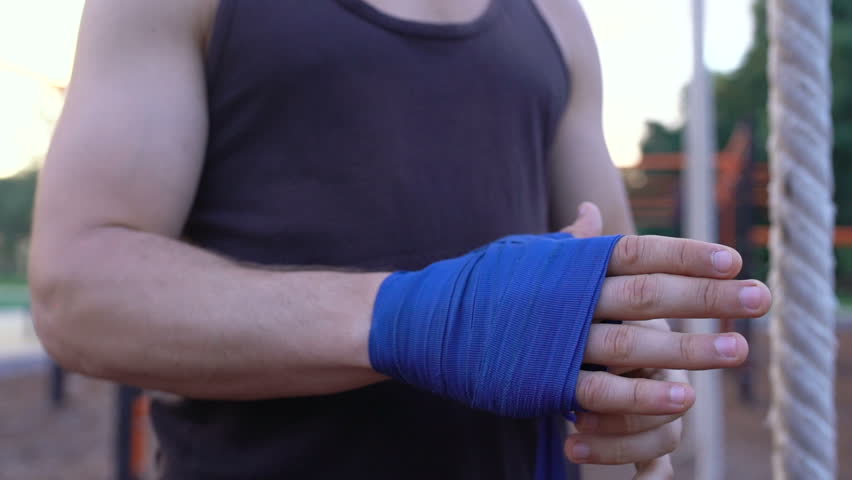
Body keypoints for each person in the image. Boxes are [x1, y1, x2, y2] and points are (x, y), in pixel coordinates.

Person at [29, 0, 770, 479]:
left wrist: (634, 402)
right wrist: (422, 318)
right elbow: (76, 290)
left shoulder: (557, 19)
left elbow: (619, 299)